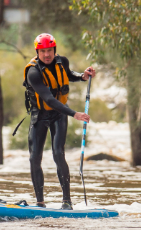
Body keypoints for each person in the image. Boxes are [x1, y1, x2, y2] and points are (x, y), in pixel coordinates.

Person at [22, 33, 96, 209]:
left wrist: (82, 76)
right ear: (37, 52)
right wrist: (74, 113)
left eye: (50, 51)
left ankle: (67, 202)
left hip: (58, 116)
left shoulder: (62, 61)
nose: (47, 55)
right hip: (39, 115)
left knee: (58, 154)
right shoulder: (33, 72)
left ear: (54, 50)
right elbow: (48, 99)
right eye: (43, 51)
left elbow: (68, 75)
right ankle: (40, 203)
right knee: (34, 158)